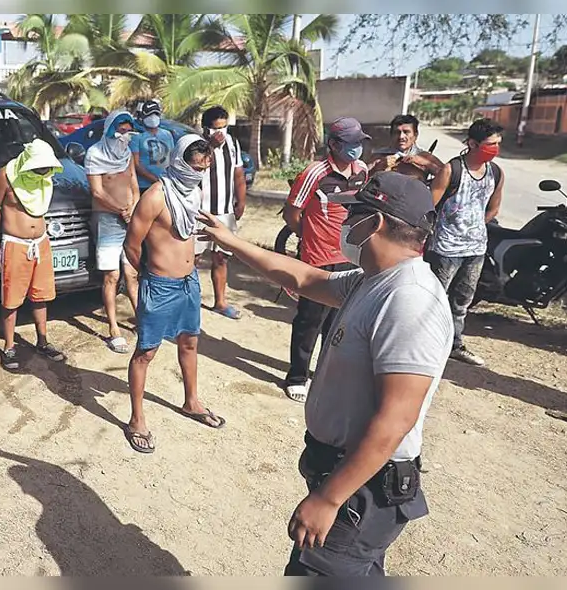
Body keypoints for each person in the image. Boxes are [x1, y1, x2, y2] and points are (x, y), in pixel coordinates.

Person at [198, 171, 452, 577]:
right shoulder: (373, 281)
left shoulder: (408, 300)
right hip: (345, 476)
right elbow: (302, 277)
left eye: (354, 214)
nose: (345, 223)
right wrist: (231, 241)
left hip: (360, 492)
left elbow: (396, 419)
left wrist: (330, 499)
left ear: (376, 223)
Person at [122, 135, 227, 454]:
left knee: (190, 342)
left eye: (204, 168)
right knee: (146, 351)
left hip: (189, 283)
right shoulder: (155, 196)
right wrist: (150, 277)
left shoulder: (192, 193)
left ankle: (191, 401)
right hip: (160, 285)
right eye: (194, 167)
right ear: (180, 162)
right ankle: (136, 419)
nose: (198, 173)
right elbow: (131, 245)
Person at [281, 117, 369, 403]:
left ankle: (323, 373)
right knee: (310, 321)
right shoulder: (314, 173)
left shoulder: (362, 171)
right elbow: (292, 213)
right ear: (334, 144)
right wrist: (308, 238)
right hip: (317, 260)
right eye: (352, 143)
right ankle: (297, 376)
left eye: (360, 143)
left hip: (350, 258)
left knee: (338, 324)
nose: (357, 148)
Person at [426, 118, 505, 367]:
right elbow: (429, 207)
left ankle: (455, 344)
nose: (495, 149)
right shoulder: (451, 170)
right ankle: (425, 344)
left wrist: (474, 226)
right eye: (490, 144)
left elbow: (493, 209)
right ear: (472, 143)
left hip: (475, 250)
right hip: (445, 249)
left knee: (461, 303)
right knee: (434, 300)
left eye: (498, 144)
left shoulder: (496, 173)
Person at [0, 139, 68, 370]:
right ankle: (9, 346)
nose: (42, 172)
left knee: (41, 295)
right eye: (38, 168)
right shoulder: (5, 176)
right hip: (16, 244)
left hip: (41, 243)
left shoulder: (45, 177)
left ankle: (42, 341)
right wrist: (13, 230)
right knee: (11, 298)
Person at [85, 109, 142, 354]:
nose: (124, 135)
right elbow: (97, 192)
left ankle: (142, 320)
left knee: (132, 273)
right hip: (107, 220)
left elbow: (134, 185)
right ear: (110, 129)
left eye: (128, 131)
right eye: (121, 130)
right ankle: (113, 329)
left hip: (129, 219)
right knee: (112, 275)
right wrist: (120, 210)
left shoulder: (127, 154)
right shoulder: (95, 153)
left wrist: (134, 209)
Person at [195, 105, 247, 319]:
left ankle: (220, 302)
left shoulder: (232, 143)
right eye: (217, 128)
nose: (221, 133)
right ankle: (188, 302)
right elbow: (190, 168)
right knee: (192, 258)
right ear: (206, 128)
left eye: (224, 127)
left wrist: (241, 201)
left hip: (225, 212)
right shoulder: (196, 144)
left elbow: (238, 174)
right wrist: (209, 146)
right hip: (199, 212)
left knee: (221, 257)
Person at [369, 114, 443, 182]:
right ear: (391, 135)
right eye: (397, 132)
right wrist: (378, 167)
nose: (401, 137)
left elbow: (448, 177)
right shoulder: (378, 157)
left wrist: (427, 164)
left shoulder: (426, 157)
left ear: (415, 135)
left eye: (406, 132)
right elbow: (361, 180)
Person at [131, 99, 176, 193]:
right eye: (149, 115)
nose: (153, 117)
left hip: (166, 184)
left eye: (156, 114)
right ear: (143, 117)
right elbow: (136, 164)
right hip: (144, 186)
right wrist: (155, 179)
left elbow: (172, 157)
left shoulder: (167, 134)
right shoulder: (137, 138)